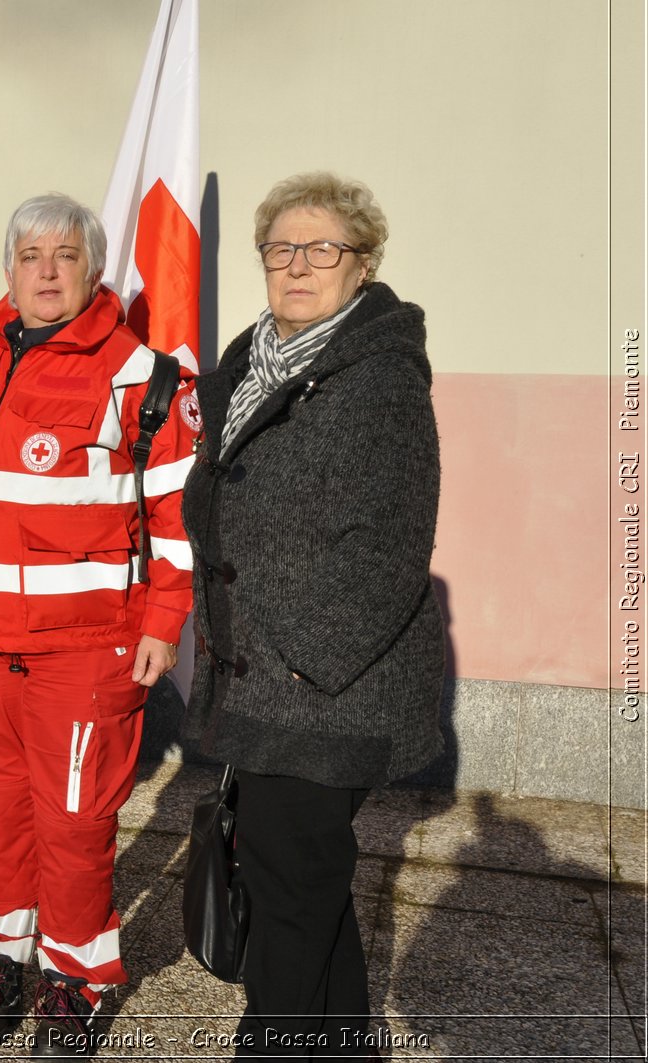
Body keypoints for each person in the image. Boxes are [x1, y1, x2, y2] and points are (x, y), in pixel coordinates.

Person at [0, 194, 198, 1058]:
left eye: (66, 254)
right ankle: (1, 957)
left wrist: (164, 621)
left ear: (94, 268)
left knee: (75, 826)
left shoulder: (142, 377)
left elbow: (182, 518)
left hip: (87, 650)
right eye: (30, 254)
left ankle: (73, 979)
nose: (46, 269)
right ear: (7, 270)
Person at [180, 173, 444, 1059]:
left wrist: (307, 661)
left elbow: (391, 548)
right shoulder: (251, 363)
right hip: (256, 676)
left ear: (362, 264)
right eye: (281, 249)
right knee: (305, 882)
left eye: (322, 248)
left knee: (288, 894)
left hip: (325, 688)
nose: (298, 265)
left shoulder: (379, 379)